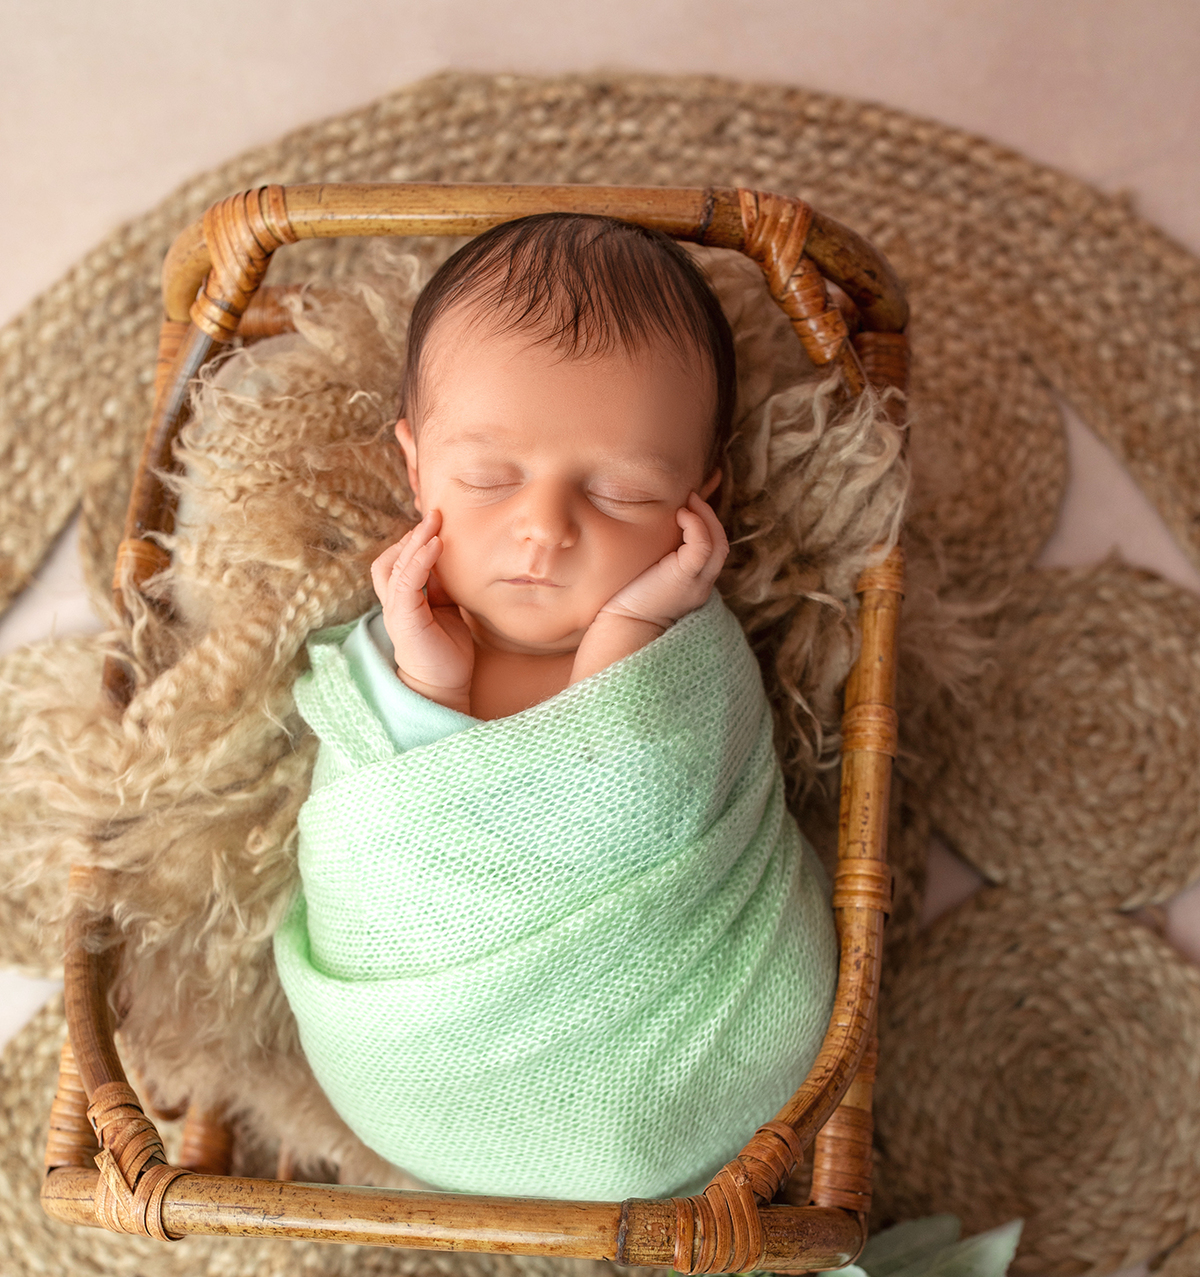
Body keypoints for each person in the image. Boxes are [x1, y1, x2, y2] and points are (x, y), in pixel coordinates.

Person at [273, 214, 838, 1203]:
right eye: (487, 478)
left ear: (697, 497)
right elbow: (387, 827)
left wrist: (629, 633)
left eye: (621, 492)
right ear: (414, 466)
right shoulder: (394, 657)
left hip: (679, 1040)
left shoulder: (685, 656)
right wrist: (427, 677)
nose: (542, 529)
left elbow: (649, 792)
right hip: (418, 1066)